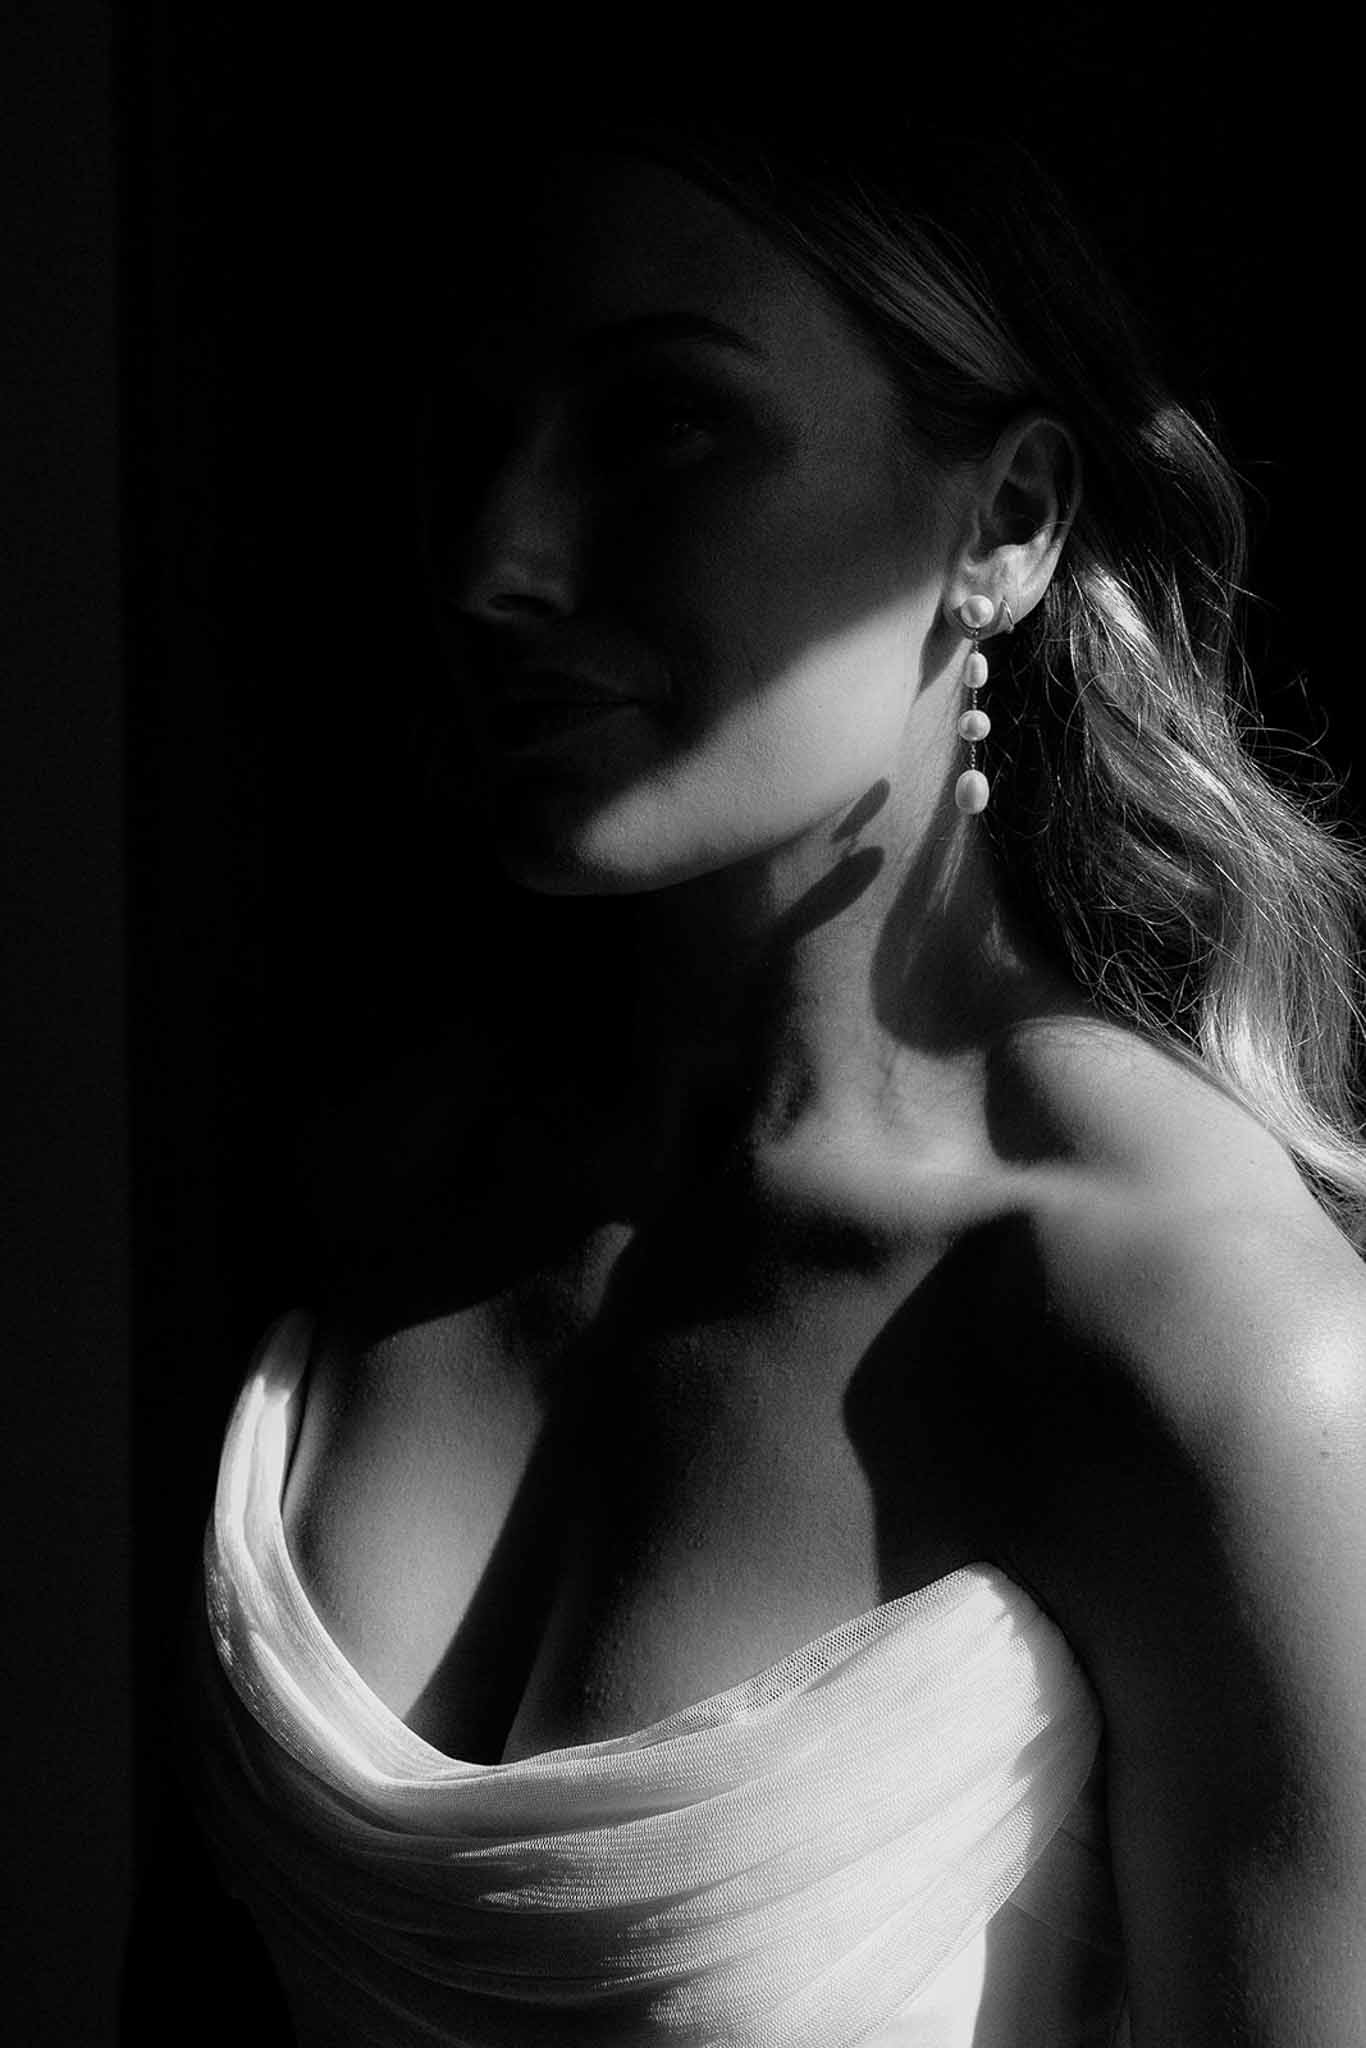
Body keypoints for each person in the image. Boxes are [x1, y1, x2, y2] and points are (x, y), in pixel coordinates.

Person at [180, 106, 1366, 2045]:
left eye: (657, 422)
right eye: (461, 435)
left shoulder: (1203, 1344)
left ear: (1003, 525)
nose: (495, 558)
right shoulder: (378, 1206)